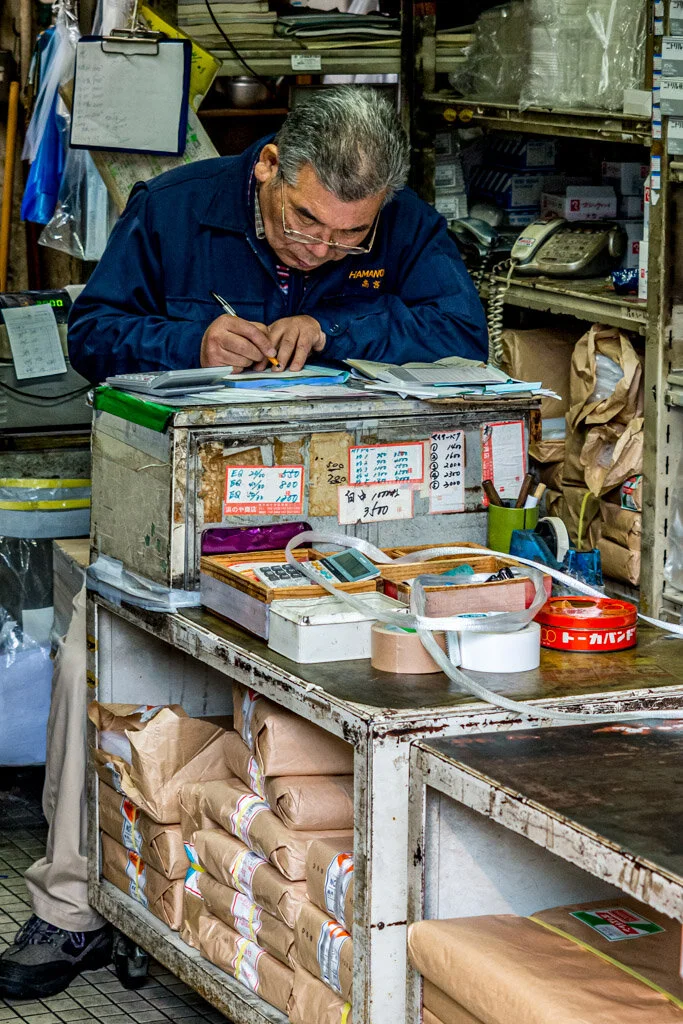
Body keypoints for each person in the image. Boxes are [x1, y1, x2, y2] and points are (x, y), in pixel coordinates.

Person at [0, 86, 486, 1000]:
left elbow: (461, 329)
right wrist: (193, 339)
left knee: (360, 690)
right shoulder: (176, 208)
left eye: (348, 239)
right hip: (181, 520)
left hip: (343, 527)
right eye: (305, 222)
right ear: (268, 165)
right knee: (86, 665)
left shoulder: (407, 228)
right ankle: (71, 906)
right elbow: (93, 334)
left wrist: (336, 324)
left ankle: (335, 927)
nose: (320, 248)